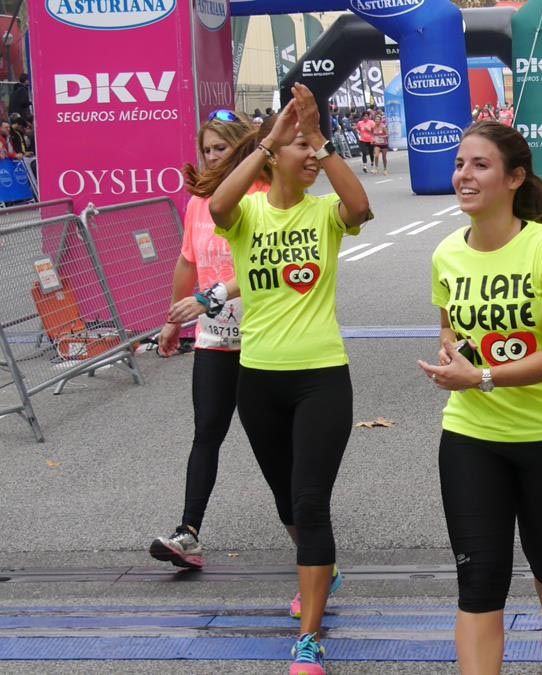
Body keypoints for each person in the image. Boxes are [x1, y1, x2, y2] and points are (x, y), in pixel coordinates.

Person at [417, 120, 542, 675]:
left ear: (515, 177)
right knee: (479, 579)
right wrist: (455, 356)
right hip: (472, 437)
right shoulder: (447, 254)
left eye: (480, 165)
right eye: (458, 165)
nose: (463, 176)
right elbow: (452, 329)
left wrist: (484, 377)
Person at [207, 84, 372, 674]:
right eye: (298, 149)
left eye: (314, 149)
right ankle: (318, 569)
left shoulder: (323, 213)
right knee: (287, 503)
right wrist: (269, 140)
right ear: (275, 156)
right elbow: (217, 208)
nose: (309, 157)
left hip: (321, 377)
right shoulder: (248, 213)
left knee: (311, 501)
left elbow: (359, 209)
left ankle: (308, 637)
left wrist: (322, 140)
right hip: (259, 380)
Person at [148, 111, 267, 571]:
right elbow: (187, 262)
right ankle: (188, 533)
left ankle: (309, 538)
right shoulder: (199, 201)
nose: (213, 157)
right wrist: (172, 319)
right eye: (207, 150)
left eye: (222, 148)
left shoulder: (263, 195)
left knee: (271, 444)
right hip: (215, 338)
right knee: (207, 433)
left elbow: (264, 268)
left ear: (242, 148)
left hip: (262, 338)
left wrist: (209, 297)